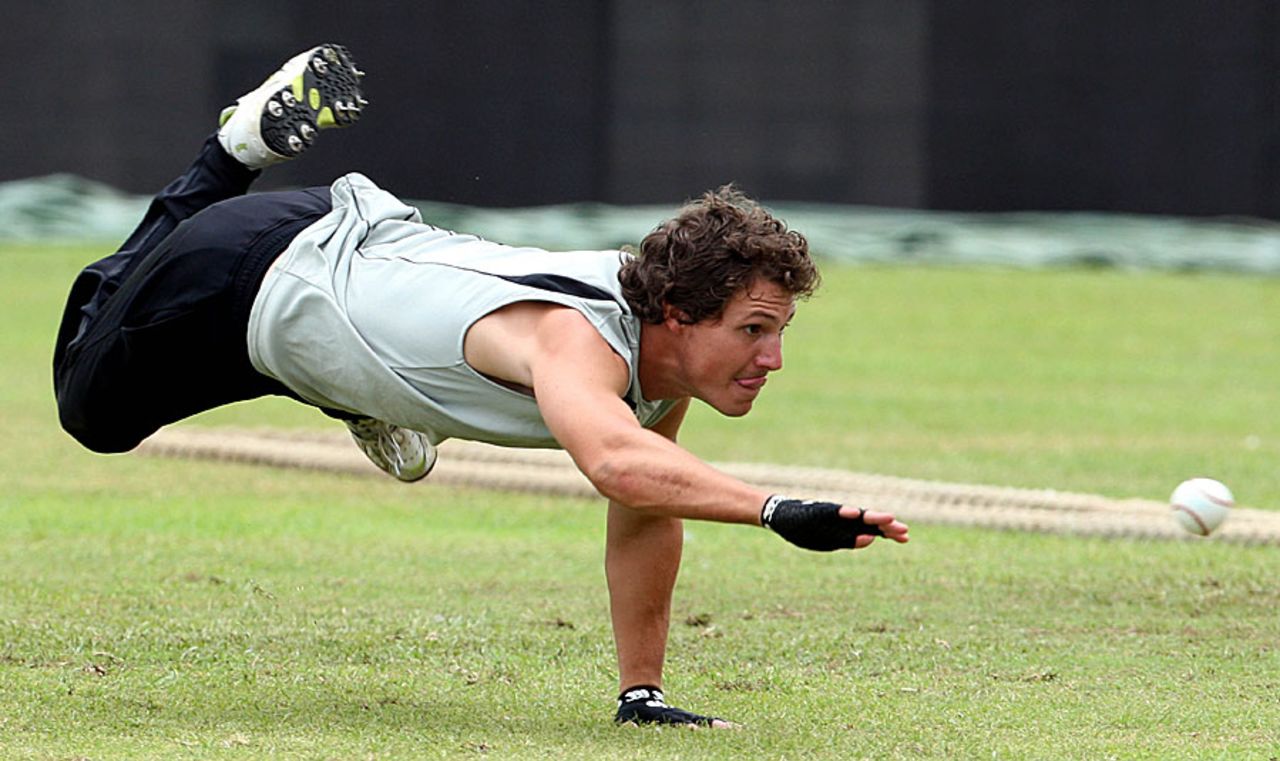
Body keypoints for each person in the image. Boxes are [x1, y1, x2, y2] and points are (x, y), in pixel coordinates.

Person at [52, 44, 910, 728]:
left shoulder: (660, 352)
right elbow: (616, 464)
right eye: (753, 331)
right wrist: (776, 509)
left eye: (779, 332)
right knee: (88, 405)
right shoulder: (579, 341)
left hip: (335, 260)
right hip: (248, 270)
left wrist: (640, 693)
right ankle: (231, 153)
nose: (772, 358)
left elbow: (646, 504)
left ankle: (364, 395)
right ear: (681, 312)